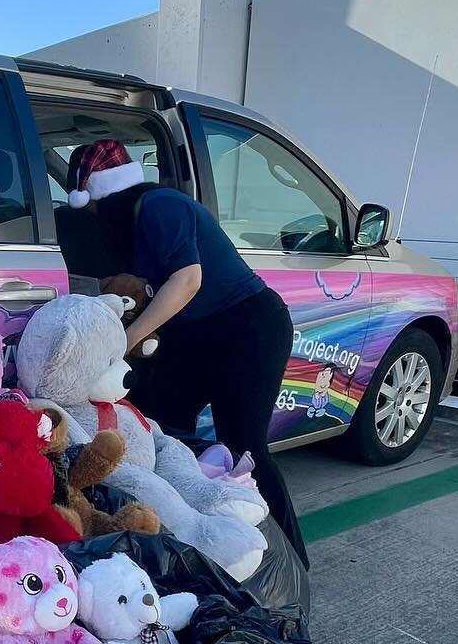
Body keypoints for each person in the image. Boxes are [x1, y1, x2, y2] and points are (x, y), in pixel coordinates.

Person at [63, 138, 306, 564]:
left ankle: (285, 560)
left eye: (95, 210)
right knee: (159, 423)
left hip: (248, 327)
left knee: (245, 446)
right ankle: (191, 543)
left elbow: (187, 280)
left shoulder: (161, 206)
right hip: (197, 336)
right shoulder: (132, 231)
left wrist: (128, 339)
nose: (94, 220)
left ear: (108, 198)